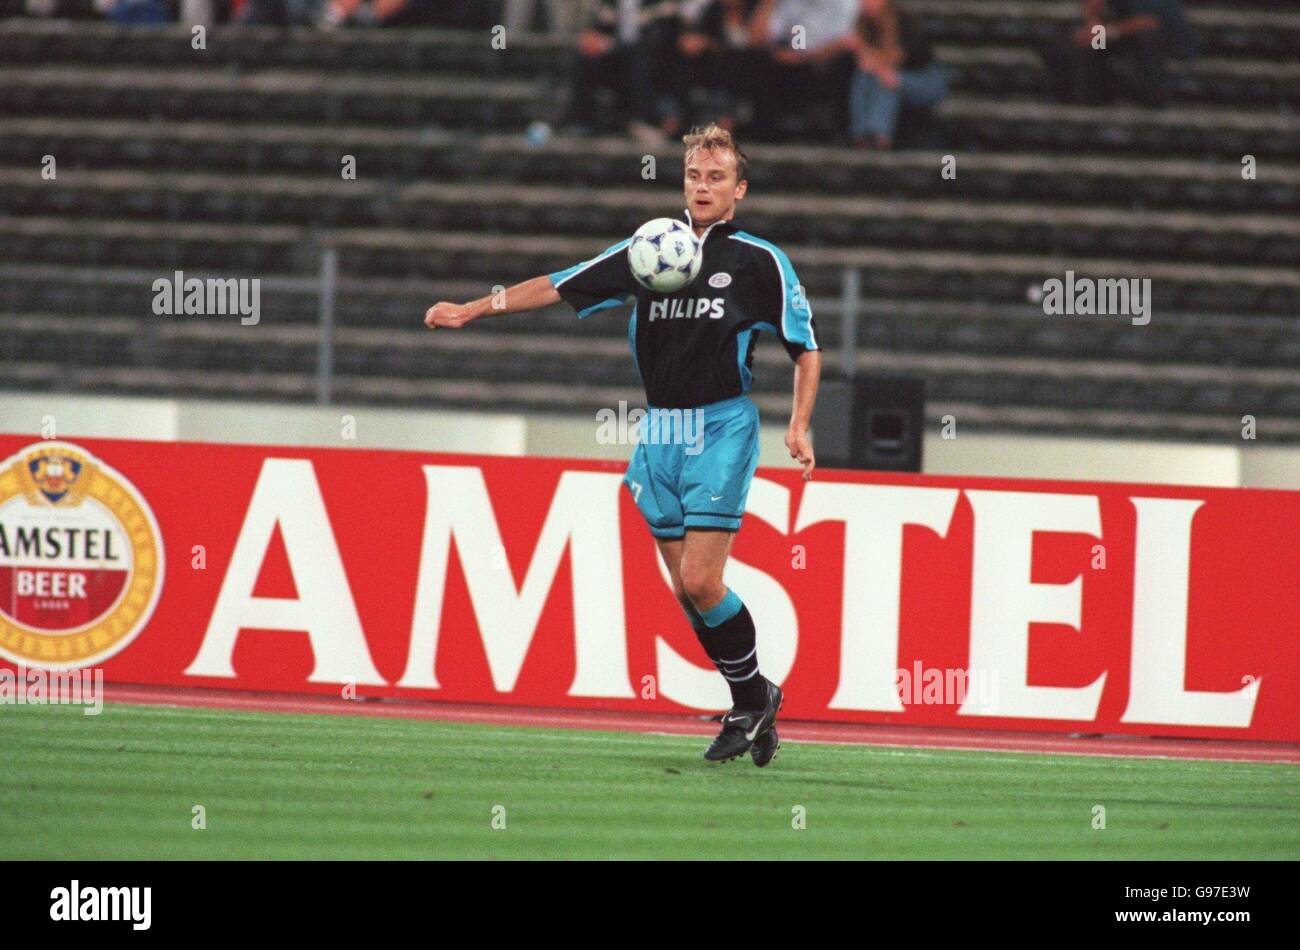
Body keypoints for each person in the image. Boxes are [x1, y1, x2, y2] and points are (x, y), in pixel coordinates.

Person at [424, 124, 821, 766]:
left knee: (702, 577)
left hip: (720, 425)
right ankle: (756, 696)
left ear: (739, 191)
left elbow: (806, 349)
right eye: (694, 175)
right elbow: (558, 282)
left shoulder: (758, 261)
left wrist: (799, 425)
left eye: (717, 178)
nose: (703, 186)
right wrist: (472, 308)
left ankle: (748, 702)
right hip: (660, 429)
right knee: (685, 592)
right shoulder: (650, 250)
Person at [563, 0, 683, 144]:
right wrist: (593, 40)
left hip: (655, 64)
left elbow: (659, 41)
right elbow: (599, 29)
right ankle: (583, 122)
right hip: (617, 61)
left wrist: (609, 45)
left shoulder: (660, 4)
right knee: (584, 57)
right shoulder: (610, 3)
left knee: (642, 61)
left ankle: (642, 120)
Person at [1042, 0, 1199, 108]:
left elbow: (1149, 22)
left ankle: (1151, 96)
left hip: (1166, 43)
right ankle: (1087, 97)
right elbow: (1093, 16)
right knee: (1069, 43)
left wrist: (1108, 32)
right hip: (1121, 38)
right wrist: (1093, 24)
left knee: (1145, 38)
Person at [744, 0, 860, 141]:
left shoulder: (845, 3)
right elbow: (756, 39)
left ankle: (837, 130)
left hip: (829, 64)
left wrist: (802, 57)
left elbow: (848, 42)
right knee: (758, 57)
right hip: (793, 64)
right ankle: (765, 131)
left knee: (845, 59)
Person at [848, 0, 947, 149]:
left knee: (889, 80)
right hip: (888, 79)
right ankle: (862, 134)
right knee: (868, 78)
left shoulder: (904, 22)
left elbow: (896, 57)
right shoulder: (861, 25)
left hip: (923, 80)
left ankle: (879, 135)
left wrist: (867, 56)